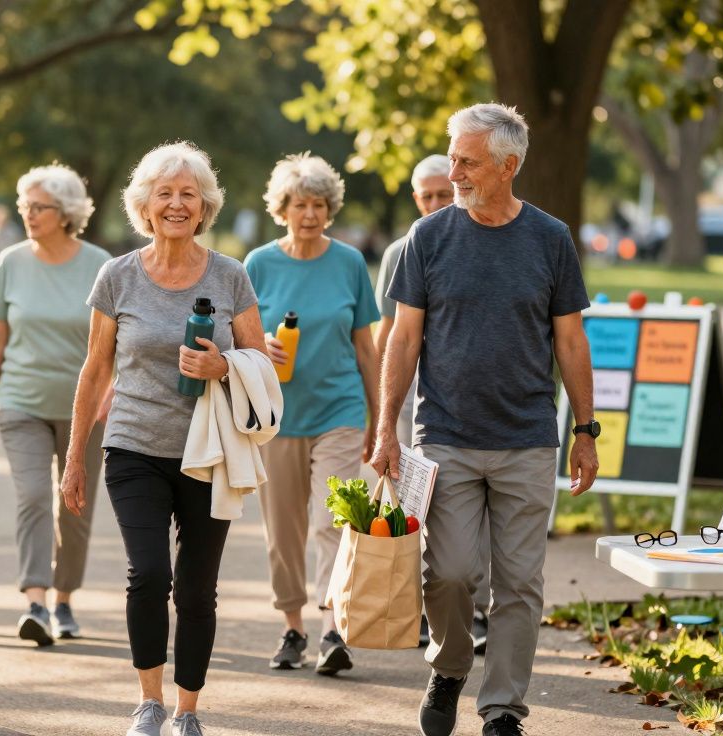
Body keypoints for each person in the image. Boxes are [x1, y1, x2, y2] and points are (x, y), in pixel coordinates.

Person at [371, 103, 598, 736]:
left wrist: (584, 430)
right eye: (453, 155)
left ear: (508, 165)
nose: (456, 170)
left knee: (520, 584)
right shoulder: (430, 236)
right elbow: (404, 338)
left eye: (468, 161)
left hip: (526, 437)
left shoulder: (550, 239)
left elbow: (572, 343)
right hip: (444, 437)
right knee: (447, 573)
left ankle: (503, 710)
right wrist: (386, 426)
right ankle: (447, 667)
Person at [60, 142, 267, 736]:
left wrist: (222, 367)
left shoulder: (230, 276)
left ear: (205, 207)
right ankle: (148, 702)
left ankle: (187, 710)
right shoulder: (117, 277)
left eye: (188, 194)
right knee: (149, 574)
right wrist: (76, 457)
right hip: (132, 447)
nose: (177, 203)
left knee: (198, 589)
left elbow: (258, 360)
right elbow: (95, 370)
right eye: (165, 193)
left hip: (210, 454)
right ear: (144, 206)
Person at [242, 153, 380, 676]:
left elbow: (366, 348)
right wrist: (260, 350)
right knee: (283, 530)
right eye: (300, 204)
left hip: (339, 411)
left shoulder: (348, 263)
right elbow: (236, 340)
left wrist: (377, 418)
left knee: (332, 521)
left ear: (330, 209)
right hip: (275, 417)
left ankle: (333, 629)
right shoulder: (258, 264)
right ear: (283, 209)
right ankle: (292, 627)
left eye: (319, 204)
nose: (310, 214)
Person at [0, 164, 110, 645]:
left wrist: (110, 392)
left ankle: (64, 600)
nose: (29, 215)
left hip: (86, 410)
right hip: (22, 401)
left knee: (74, 505)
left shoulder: (99, 263)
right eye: (25, 207)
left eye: (40, 207)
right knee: (34, 495)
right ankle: (34, 600)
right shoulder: (11, 261)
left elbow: (113, 343)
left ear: (66, 212)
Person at [375, 155, 491, 653]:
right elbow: (389, 335)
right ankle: (425, 609)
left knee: (469, 512)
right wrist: (380, 411)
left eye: (444, 193)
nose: (436, 203)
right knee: (416, 508)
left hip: (461, 403)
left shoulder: (479, 241)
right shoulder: (401, 250)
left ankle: (478, 610)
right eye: (427, 196)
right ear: (415, 198)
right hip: (408, 401)